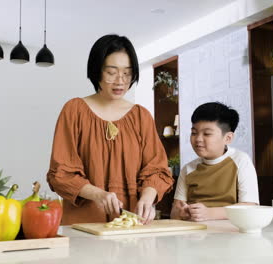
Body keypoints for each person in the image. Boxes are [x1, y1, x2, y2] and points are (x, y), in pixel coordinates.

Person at [47, 34, 174, 225]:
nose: (120, 81)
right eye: (111, 72)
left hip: (130, 227)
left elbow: (157, 170)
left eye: (127, 73)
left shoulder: (141, 116)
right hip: (84, 226)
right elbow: (61, 173)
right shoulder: (74, 111)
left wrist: (148, 197)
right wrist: (98, 195)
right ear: (97, 71)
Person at [170, 102, 259, 221]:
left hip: (230, 234)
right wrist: (181, 213)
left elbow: (250, 207)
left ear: (228, 138)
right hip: (194, 235)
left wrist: (210, 213)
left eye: (207, 134)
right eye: (194, 133)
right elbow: (175, 212)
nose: (198, 139)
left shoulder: (241, 161)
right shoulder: (188, 169)